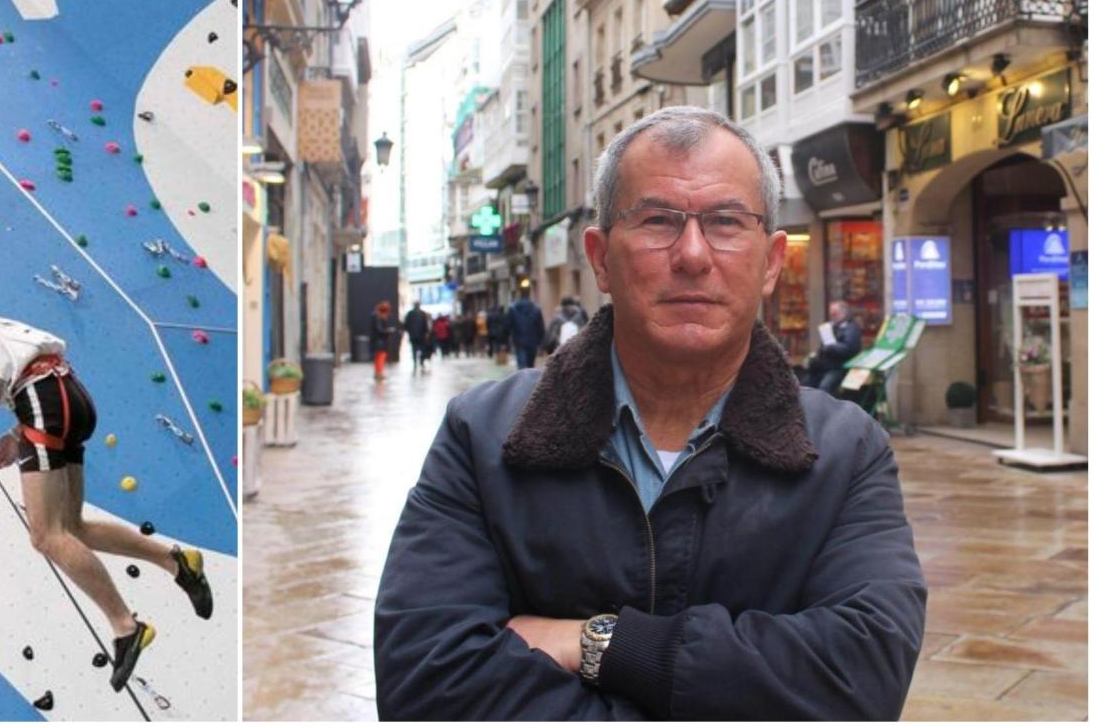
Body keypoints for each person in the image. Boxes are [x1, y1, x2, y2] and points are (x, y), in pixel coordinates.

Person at [374, 107, 925, 720]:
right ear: (601, 257)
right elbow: (426, 682)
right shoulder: (483, 437)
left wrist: (600, 644)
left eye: (726, 222)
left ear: (771, 262)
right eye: (658, 220)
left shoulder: (846, 451)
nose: (693, 254)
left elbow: (862, 678)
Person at [0, 311, 214, 691]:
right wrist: (17, 436)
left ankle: (125, 627)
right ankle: (177, 562)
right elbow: (13, 371)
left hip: (43, 398)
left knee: (45, 536)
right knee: (72, 527)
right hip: (66, 395)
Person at [806, 301, 864, 395]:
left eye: (835, 314)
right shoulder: (832, 326)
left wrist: (830, 347)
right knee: (807, 385)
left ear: (843, 313)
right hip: (824, 365)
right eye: (831, 314)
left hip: (839, 367)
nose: (832, 317)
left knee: (825, 388)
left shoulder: (851, 328)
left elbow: (849, 348)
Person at [506, 288, 546, 369]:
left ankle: (523, 379)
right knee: (530, 364)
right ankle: (528, 380)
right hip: (532, 341)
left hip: (519, 341)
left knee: (522, 365)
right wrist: (541, 343)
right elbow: (540, 327)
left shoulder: (513, 309)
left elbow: (508, 325)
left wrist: (506, 340)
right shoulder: (536, 309)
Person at [403, 301, 432, 374]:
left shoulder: (410, 314)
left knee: (414, 349)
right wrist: (426, 333)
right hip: (421, 335)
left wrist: (408, 331)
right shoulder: (422, 314)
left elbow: (406, 325)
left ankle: (415, 362)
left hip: (413, 335)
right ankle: (420, 362)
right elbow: (425, 325)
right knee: (422, 349)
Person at [371, 301, 398, 381]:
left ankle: (378, 372)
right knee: (380, 357)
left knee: (379, 357)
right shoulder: (378, 317)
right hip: (380, 341)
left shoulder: (376, 317)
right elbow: (379, 330)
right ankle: (379, 372)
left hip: (378, 340)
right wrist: (388, 331)